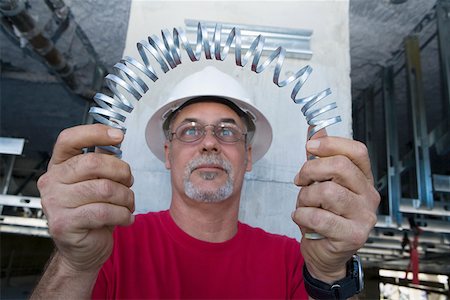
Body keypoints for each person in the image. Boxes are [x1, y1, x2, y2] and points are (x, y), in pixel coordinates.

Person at [31, 66, 380, 299]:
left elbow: (321, 277)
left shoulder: (295, 262)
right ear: (168, 154)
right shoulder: (108, 248)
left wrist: (328, 273)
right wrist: (75, 264)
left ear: (248, 156)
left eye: (226, 131)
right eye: (191, 130)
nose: (210, 142)